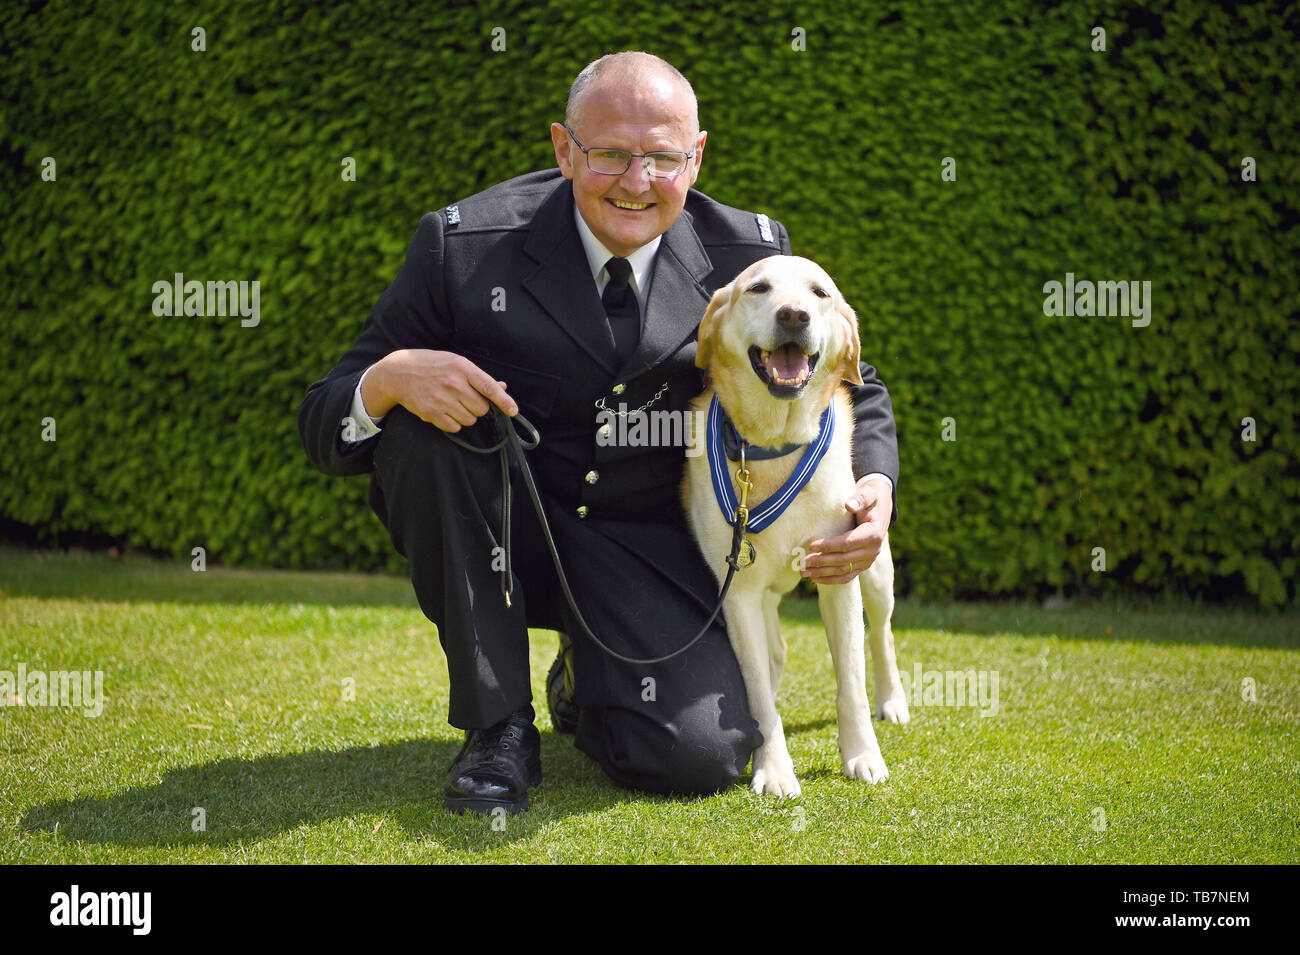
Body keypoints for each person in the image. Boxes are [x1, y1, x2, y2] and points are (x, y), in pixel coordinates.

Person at [298, 51, 899, 815]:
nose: (636, 180)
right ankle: (498, 725)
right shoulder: (464, 248)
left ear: (697, 156)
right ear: (563, 148)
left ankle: (588, 680)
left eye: (662, 157)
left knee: (698, 755)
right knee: (426, 427)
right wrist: (387, 380)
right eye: (610, 153)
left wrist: (874, 485)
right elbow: (324, 416)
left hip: (651, 548)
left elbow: (857, 380)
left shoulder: (750, 256)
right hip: (506, 535)